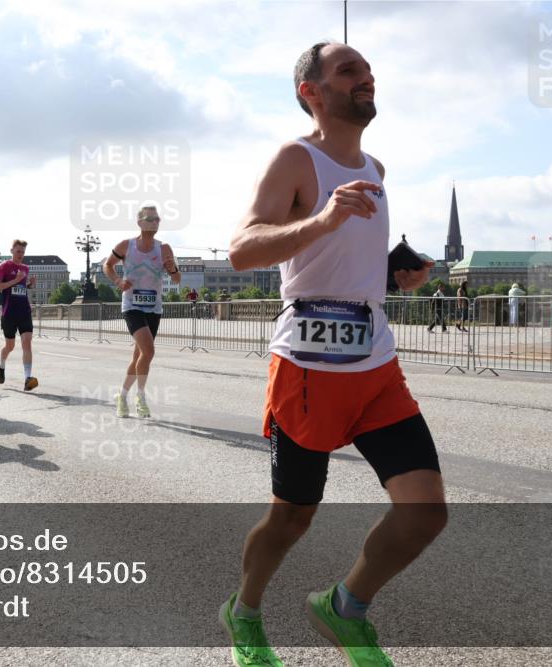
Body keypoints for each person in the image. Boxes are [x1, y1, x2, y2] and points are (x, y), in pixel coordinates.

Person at [223, 41, 445, 667]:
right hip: (307, 371)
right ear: (311, 92)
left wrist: (396, 277)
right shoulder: (296, 158)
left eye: (369, 70)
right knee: (291, 520)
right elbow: (243, 248)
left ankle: (344, 607)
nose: (366, 78)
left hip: (375, 367)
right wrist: (319, 220)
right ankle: (243, 612)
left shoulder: (376, 167)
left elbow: (353, 266)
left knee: (426, 512)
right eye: (349, 70)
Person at [104, 206, 181, 418]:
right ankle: (141, 397)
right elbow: (107, 265)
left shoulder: (164, 248)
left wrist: (172, 268)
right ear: (139, 222)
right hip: (132, 306)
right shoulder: (126, 245)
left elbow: (177, 279)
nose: (155, 222)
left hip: (154, 307)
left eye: (157, 219)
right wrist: (118, 281)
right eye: (150, 219)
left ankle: (121, 396)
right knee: (149, 352)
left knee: (139, 356)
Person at [0, 239, 38, 391]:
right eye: (18, 251)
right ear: (11, 250)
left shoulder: (25, 268)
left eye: (23, 252)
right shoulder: (4, 266)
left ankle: (27, 378)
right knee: (10, 346)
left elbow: (21, 287)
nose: (20, 255)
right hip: (9, 312)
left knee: (27, 342)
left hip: (24, 311)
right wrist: (16, 280)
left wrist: (30, 284)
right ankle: (1, 364)